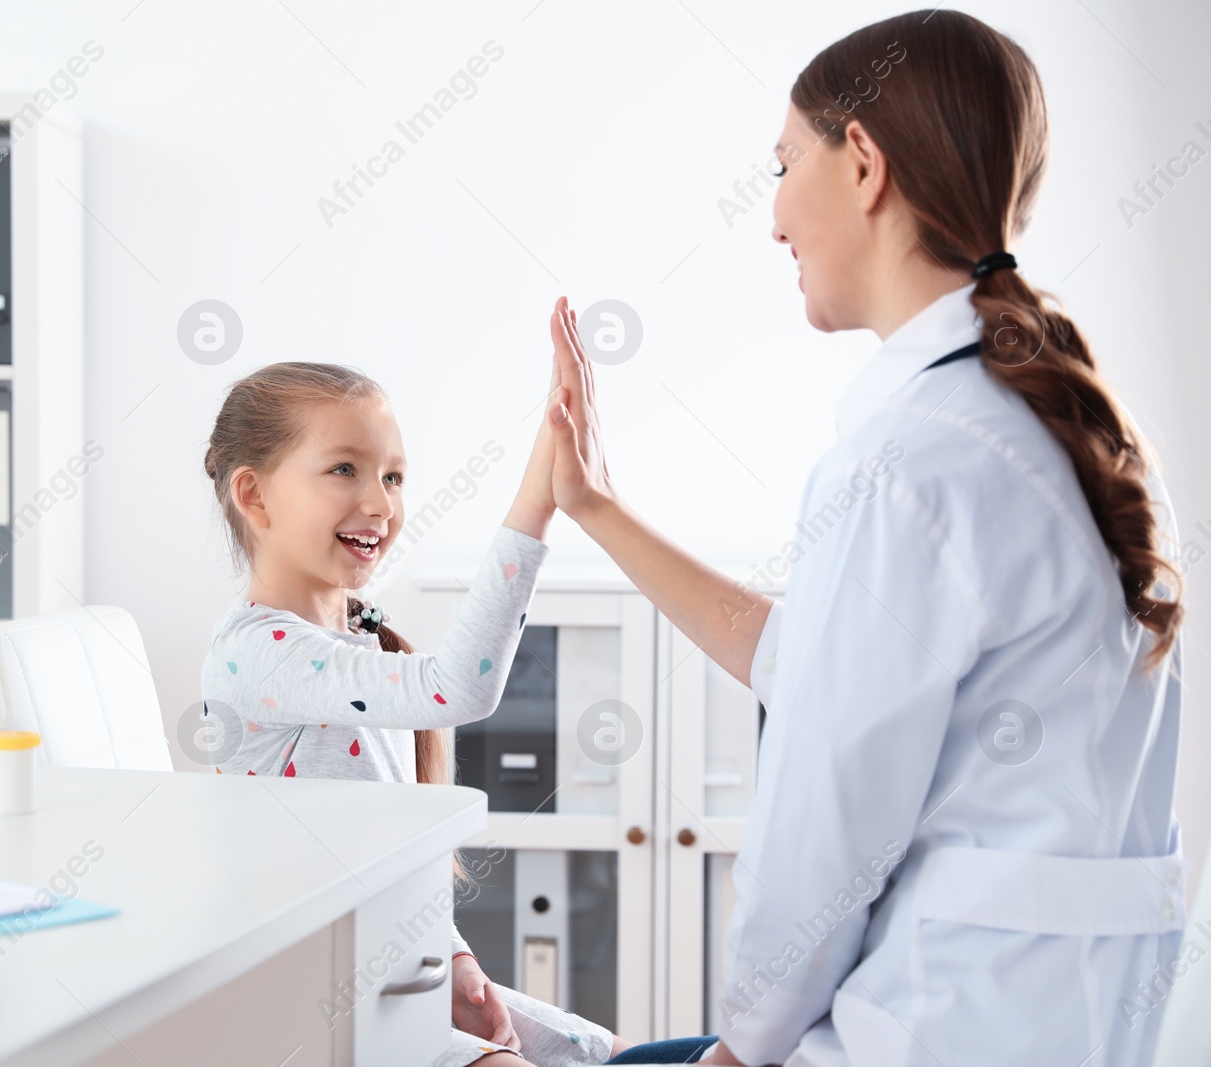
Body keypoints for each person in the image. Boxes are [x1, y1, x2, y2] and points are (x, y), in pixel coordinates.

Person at [577, 9, 1186, 1066]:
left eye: (781, 165)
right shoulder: (1073, 432)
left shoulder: (907, 460)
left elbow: (821, 826)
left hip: (933, 1025)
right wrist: (595, 507)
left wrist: (742, 1042)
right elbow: (818, 666)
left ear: (861, 163)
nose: (772, 218)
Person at [198, 361, 638, 1066]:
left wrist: (454, 954)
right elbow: (460, 686)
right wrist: (538, 499)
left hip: (398, 975)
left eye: (393, 476)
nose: (380, 502)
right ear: (254, 494)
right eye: (344, 468)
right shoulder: (256, 654)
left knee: (617, 1053)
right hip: (312, 1004)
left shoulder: (358, 643)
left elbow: (397, 854)